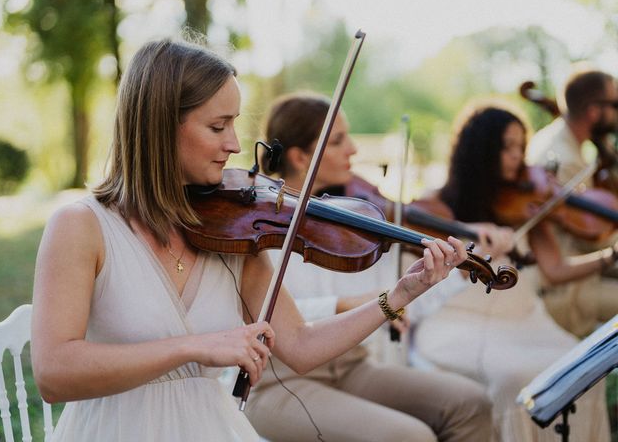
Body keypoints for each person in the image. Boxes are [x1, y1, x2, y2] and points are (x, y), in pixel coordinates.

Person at [31, 38, 468, 442]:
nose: (235, 144)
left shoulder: (231, 230)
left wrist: (400, 293)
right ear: (161, 126)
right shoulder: (81, 225)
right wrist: (196, 346)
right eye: (218, 127)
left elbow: (300, 346)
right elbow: (54, 373)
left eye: (235, 125)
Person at [244, 92, 494, 442]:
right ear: (301, 157)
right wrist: (343, 304)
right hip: (282, 380)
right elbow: (263, 316)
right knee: (410, 436)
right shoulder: (255, 228)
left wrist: (461, 268)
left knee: (471, 402)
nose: (354, 150)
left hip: (350, 366)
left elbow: (401, 297)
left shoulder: (347, 221)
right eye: (338, 141)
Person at [410, 103, 611, 442]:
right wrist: (467, 230)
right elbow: (418, 237)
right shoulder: (440, 203)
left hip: (523, 317)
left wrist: (609, 256)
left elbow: (556, 270)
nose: (518, 156)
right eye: (507, 147)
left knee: (579, 366)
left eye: (521, 146)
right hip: (455, 319)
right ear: (481, 150)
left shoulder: (528, 203)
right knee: (513, 376)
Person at [526, 69, 618, 337]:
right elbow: (591, 238)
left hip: (583, 272)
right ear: (593, 111)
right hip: (568, 289)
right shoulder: (562, 160)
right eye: (614, 105)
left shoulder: (558, 140)